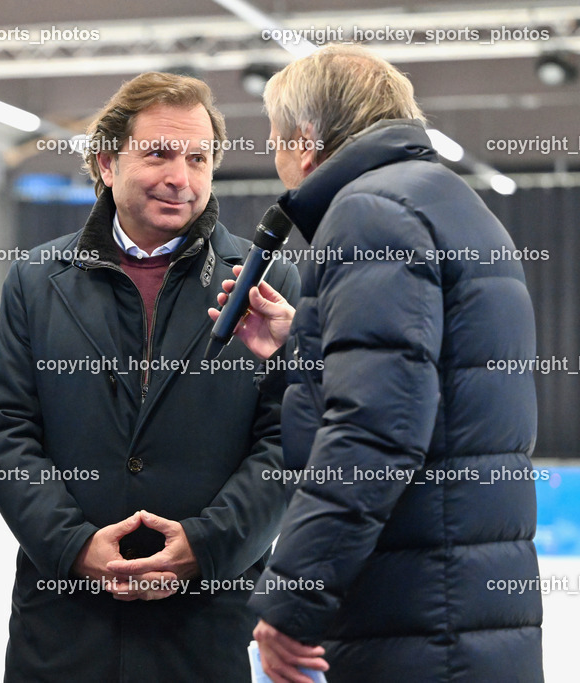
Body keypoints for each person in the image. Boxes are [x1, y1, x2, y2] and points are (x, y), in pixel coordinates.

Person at [212, 44, 543, 682]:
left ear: (307, 141)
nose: (275, 155)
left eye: (275, 139)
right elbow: (430, 383)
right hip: (462, 605)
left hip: (413, 614)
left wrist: (293, 595)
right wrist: (305, 343)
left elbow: (374, 429)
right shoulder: (449, 203)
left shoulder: (370, 215)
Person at [0, 71, 300, 681]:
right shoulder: (37, 280)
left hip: (204, 623)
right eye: (159, 154)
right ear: (106, 163)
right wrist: (73, 546)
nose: (181, 177)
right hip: (65, 624)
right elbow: (3, 427)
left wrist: (206, 545)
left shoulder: (265, 283)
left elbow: (287, 439)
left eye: (198, 158)